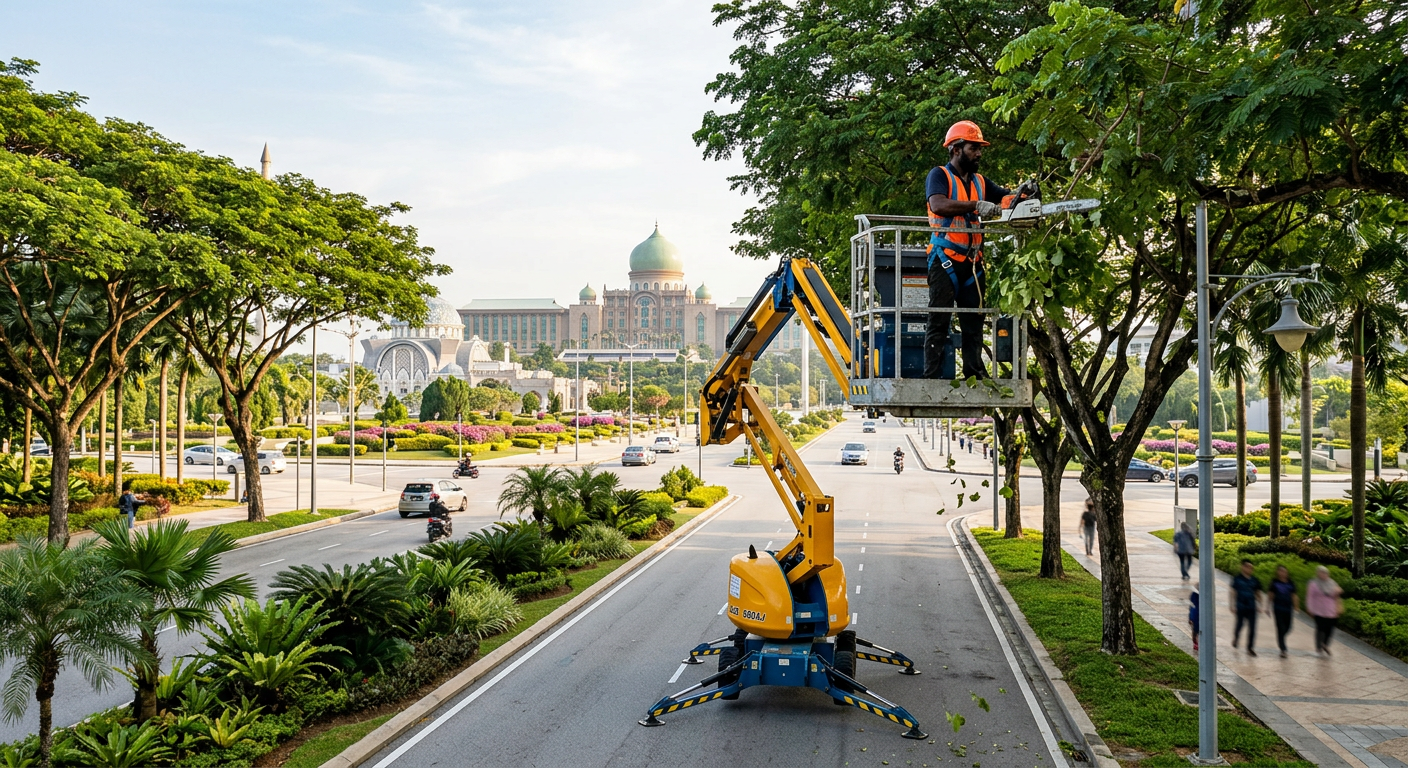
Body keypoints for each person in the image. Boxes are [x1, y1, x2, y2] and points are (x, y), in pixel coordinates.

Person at [923, 120, 1012, 379]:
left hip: (973, 262)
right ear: (956, 149)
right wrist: (975, 205)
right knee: (939, 320)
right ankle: (933, 375)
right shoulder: (939, 175)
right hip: (945, 258)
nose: (979, 153)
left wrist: (1023, 195)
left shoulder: (981, 181)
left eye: (979, 148)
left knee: (973, 321)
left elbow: (1005, 197)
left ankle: (974, 372)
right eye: (974, 148)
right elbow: (938, 205)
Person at [1306, 565, 1343, 656]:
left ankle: (1325, 644)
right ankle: (1319, 647)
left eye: (1324, 573)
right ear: (1318, 573)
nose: (1323, 575)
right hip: (1319, 610)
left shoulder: (1332, 583)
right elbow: (1310, 597)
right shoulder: (1313, 584)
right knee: (1320, 629)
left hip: (1331, 610)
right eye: (1321, 573)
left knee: (1329, 629)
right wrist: (1310, 608)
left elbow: (1337, 596)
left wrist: (1338, 592)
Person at [1230, 559, 1264, 656]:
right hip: (1240, 606)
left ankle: (1250, 647)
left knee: (1252, 628)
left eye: (1251, 567)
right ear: (1243, 567)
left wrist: (1260, 605)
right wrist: (1232, 605)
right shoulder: (1237, 579)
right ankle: (1236, 638)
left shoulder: (1254, 580)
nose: (1249, 569)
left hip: (1251, 606)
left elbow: (1258, 593)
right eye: (1247, 567)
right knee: (1239, 625)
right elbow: (1233, 592)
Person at [1269, 565, 1299, 658]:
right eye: (1281, 571)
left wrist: (1296, 606)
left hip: (1288, 609)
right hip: (1278, 608)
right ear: (1278, 572)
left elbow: (1294, 595)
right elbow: (1271, 594)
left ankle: (1281, 637)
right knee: (1281, 628)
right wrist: (1267, 606)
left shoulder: (1290, 583)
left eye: (1284, 571)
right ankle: (1283, 649)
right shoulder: (1274, 582)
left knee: (1288, 628)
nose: (1282, 573)